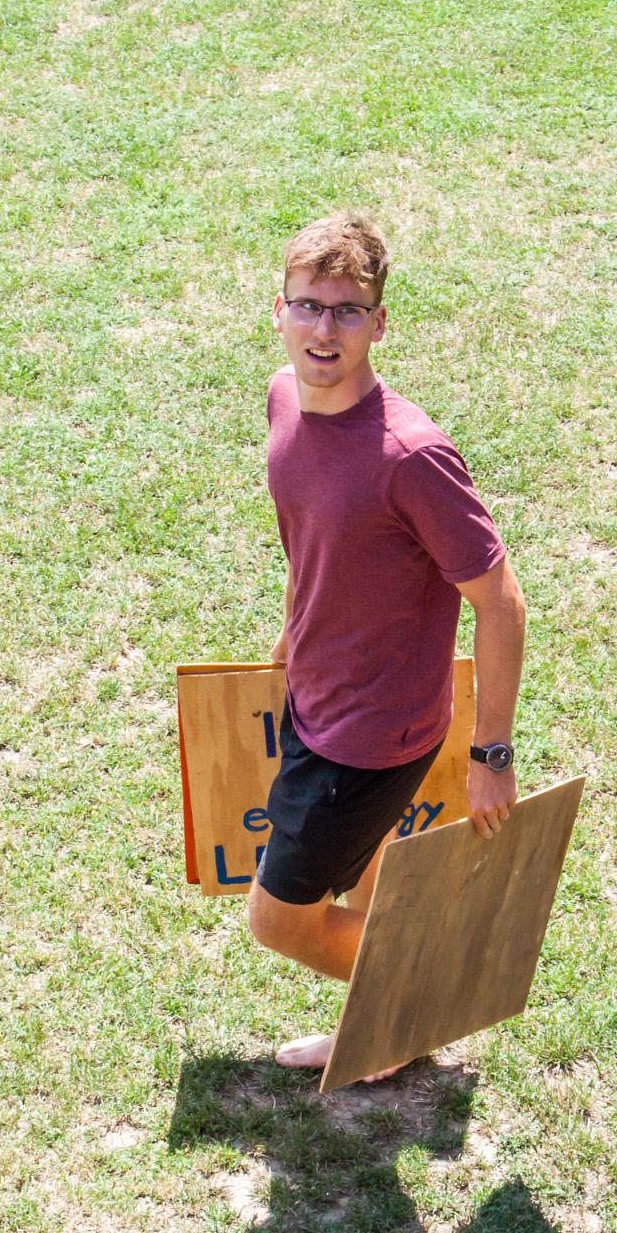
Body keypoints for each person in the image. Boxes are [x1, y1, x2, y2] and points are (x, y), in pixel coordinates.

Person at [246, 212, 527, 1079]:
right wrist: (294, 631)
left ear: (378, 323)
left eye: (347, 311)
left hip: (367, 738)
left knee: (279, 920)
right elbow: (315, 542)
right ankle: (380, 1028)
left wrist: (492, 755)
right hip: (316, 695)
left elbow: (501, 604)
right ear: (279, 310)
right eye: (308, 305)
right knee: (368, 892)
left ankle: (419, 1002)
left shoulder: (410, 456)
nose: (323, 329)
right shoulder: (283, 398)